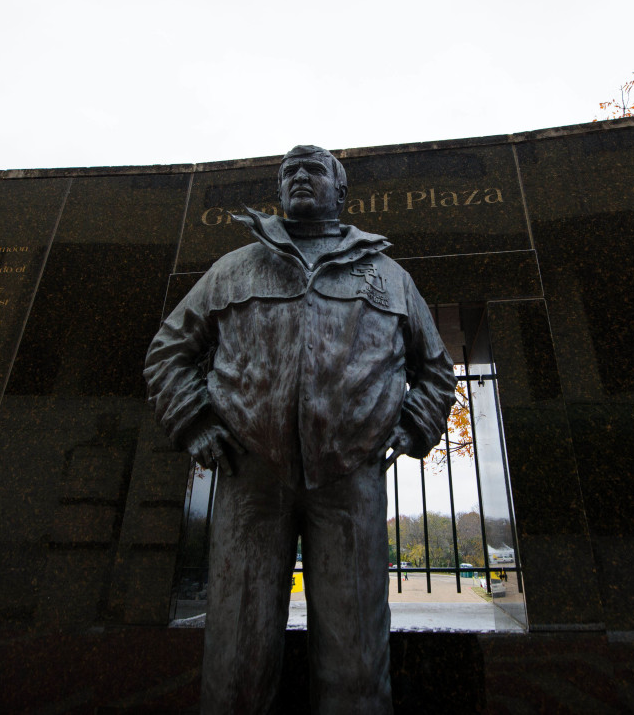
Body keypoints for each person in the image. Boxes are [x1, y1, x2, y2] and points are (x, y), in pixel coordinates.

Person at [144, 145, 455, 714]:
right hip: (250, 476)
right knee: (236, 650)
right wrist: (194, 421)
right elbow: (169, 352)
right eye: (289, 171)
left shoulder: (388, 276)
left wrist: (413, 427)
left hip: (349, 479)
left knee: (356, 652)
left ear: (341, 192)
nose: (300, 177)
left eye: (314, 169)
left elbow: (434, 368)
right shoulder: (234, 269)